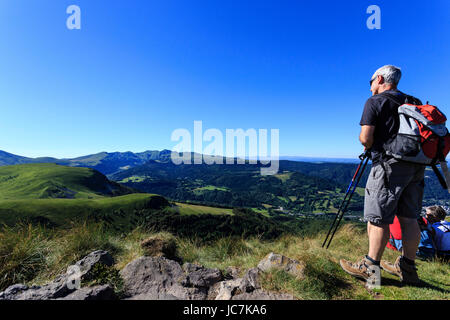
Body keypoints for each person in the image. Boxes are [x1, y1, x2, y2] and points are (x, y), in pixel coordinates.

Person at [339, 65, 425, 286]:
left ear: (379, 79)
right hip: (417, 166)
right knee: (409, 218)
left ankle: (370, 268)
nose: (370, 88)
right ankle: (408, 269)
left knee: (378, 218)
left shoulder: (375, 102)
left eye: (370, 83)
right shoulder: (413, 101)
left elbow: (365, 138)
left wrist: (370, 142)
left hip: (388, 167)